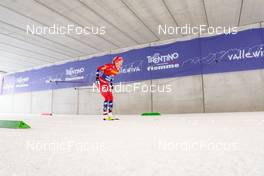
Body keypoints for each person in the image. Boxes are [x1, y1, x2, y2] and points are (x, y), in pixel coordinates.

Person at [96, 56, 123, 120]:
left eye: (121, 61)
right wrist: (97, 78)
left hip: (106, 83)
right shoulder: (109, 66)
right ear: (116, 62)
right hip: (100, 82)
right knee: (108, 97)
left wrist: (111, 84)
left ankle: (109, 114)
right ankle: (105, 114)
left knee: (110, 97)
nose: (121, 63)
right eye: (119, 61)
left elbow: (111, 76)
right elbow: (98, 68)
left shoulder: (118, 70)